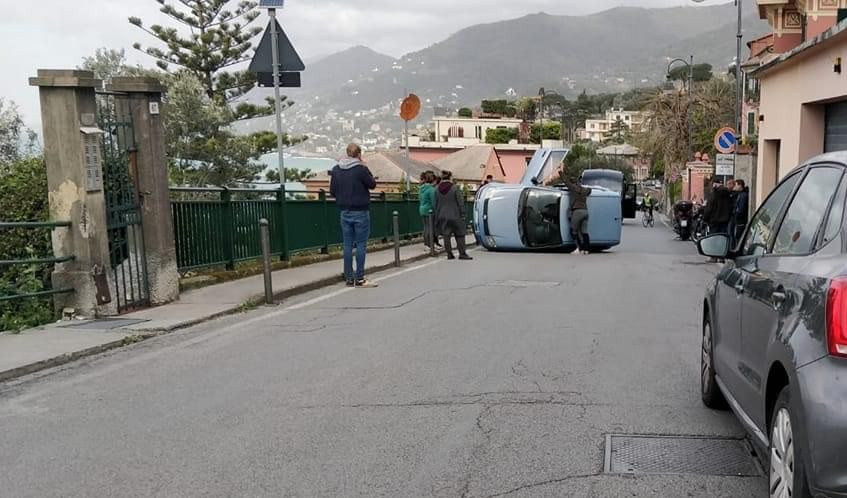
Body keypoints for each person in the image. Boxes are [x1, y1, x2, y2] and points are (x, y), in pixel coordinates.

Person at [329, 143, 378, 288]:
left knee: (347, 244)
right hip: (361, 210)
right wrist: (365, 166)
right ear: (359, 154)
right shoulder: (360, 169)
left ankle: (349, 278)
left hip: (344, 211)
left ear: (346, 153)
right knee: (361, 244)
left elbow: (332, 191)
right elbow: (372, 184)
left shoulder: (336, 169)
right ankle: (360, 278)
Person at [434, 170, 473, 260]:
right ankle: (462, 253)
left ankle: (449, 254)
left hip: (442, 215)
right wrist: (463, 213)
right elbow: (460, 202)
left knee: (446, 235)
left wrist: (437, 215)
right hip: (455, 215)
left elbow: (435, 203)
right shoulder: (455, 188)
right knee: (460, 234)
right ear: (450, 177)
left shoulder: (436, 189)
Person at [564, 179, 593, 254]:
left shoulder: (573, 188)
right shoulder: (584, 190)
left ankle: (579, 248)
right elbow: (590, 190)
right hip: (585, 212)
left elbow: (566, 181)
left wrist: (560, 173)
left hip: (577, 212)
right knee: (584, 232)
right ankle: (586, 249)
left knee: (573, 231)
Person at [419, 171, 436, 249]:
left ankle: (426, 244)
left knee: (425, 227)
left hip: (422, 208)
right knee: (430, 228)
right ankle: (430, 244)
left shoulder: (421, 188)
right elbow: (433, 202)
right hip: (429, 210)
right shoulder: (431, 189)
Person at [731, 179, 750, 245]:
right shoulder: (740, 194)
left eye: (736, 185)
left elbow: (741, 208)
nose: (734, 187)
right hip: (739, 220)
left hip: (740, 221)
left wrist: (736, 214)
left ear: (740, 185)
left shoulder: (743, 195)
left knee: (738, 237)